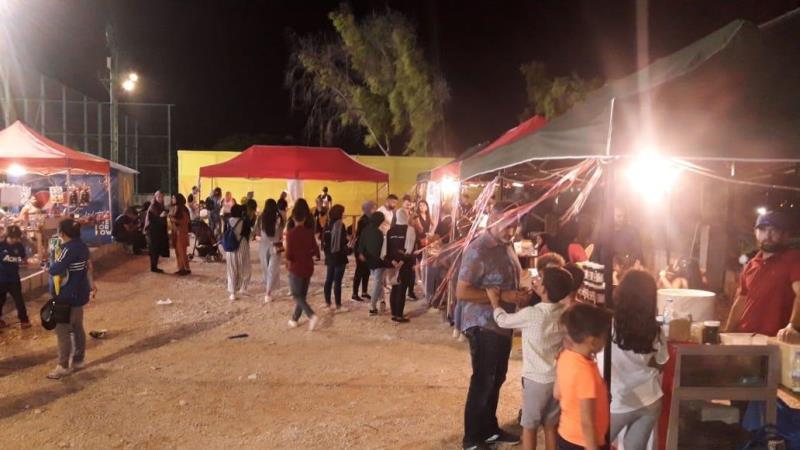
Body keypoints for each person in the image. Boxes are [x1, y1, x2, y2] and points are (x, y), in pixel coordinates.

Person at [456, 201, 529, 450]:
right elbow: (462, 292)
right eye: (506, 225)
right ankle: (472, 439)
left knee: (497, 377)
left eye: (515, 225)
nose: (512, 231)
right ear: (492, 220)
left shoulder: (506, 246)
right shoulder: (478, 249)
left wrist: (519, 292)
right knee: (484, 380)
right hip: (483, 324)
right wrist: (503, 297)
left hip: (502, 323)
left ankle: (488, 429)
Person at [490, 267, 573, 450]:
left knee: (529, 427)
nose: (536, 280)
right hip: (556, 379)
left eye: (540, 279)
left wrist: (495, 303)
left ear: (545, 289)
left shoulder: (532, 314)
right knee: (551, 425)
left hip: (535, 380)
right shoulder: (564, 312)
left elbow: (503, 321)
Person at [597, 270, 668, 450]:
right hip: (650, 399)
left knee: (594, 445)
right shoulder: (656, 330)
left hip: (618, 401)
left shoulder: (607, 325)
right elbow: (662, 363)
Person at [725, 211, 800, 342]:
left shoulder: (793, 259)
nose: (768, 235)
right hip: (745, 337)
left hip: (774, 341)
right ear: (755, 233)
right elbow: (741, 300)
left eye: (774, 230)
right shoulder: (751, 265)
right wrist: (727, 332)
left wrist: (793, 326)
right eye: (763, 230)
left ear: (785, 235)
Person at [555, 303, 612, 450]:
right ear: (593, 341)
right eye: (605, 336)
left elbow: (557, 393)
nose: (606, 340)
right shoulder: (586, 373)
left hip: (565, 434)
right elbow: (587, 423)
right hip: (583, 443)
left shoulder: (565, 356)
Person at [47, 219, 95, 379]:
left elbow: (55, 269)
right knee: (77, 327)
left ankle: (63, 366)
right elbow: (87, 267)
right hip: (79, 294)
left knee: (62, 330)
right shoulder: (82, 246)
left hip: (66, 296)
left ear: (62, 233)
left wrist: (48, 263)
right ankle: (78, 360)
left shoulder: (67, 248)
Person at [284, 198, 320, 331]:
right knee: (302, 295)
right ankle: (294, 319)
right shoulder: (309, 231)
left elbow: (288, 255)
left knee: (296, 294)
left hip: (296, 267)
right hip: (308, 266)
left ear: (293, 217)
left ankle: (311, 315)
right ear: (305, 218)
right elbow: (315, 250)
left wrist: (288, 260)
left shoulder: (291, 234)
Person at [386, 208, 416, 323]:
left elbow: (387, 249)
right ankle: (399, 315)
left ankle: (394, 313)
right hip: (405, 264)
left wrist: (393, 261)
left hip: (393, 264)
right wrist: (402, 262)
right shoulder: (410, 230)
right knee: (401, 289)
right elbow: (410, 249)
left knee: (394, 287)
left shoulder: (391, 231)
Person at [0, 225, 31, 329]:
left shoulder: (19, 245)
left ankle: (24, 320)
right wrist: (20, 260)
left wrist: (25, 260)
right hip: (2, 278)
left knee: (19, 299)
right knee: (1, 299)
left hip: (14, 278)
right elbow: (5, 258)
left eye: (16, 238)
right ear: (7, 235)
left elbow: (24, 257)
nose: (14, 240)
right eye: (12, 237)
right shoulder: (1, 245)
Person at [358, 211, 387, 316]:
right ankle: (372, 306)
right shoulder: (378, 232)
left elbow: (361, 244)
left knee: (378, 282)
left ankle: (382, 301)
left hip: (369, 260)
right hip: (378, 261)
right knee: (377, 283)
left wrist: (361, 253)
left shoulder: (365, 230)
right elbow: (380, 249)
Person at [322, 204, 350, 312]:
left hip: (329, 256)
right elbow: (342, 242)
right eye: (342, 212)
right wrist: (349, 244)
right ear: (339, 214)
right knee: (337, 281)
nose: (343, 214)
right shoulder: (340, 225)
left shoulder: (327, 224)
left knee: (329, 280)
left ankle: (327, 303)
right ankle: (338, 305)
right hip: (339, 257)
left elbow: (324, 241)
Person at [259, 199, 284, 303]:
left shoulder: (261, 218)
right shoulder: (279, 218)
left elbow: (257, 231)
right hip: (276, 245)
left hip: (263, 246)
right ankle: (268, 293)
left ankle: (268, 291)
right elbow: (281, 233)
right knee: (272, 270)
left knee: (266, 269)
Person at [351, 200, 375, 302]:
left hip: (367, 249)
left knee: (366, 271)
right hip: (361, 249)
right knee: (359, 271)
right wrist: (360, 252)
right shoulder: (362, 221)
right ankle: (354, 293)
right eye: (373, 208)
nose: (374, 210)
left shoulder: (370, 219)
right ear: (368, 209)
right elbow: (360, 237)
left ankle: (364, 292)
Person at [224, 205, 249, 301]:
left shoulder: (227, 221)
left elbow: (224, 233)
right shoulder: (244, 222)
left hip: (230, 247)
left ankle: (232, 293)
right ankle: (242, 287)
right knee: (244, 268)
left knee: (231, 270)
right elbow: (247, 235)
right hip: (242, 245)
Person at [144, 191, 170, 274]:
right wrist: (161, 216)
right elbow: (156, 217)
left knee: (156, 249)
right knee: (154, 249)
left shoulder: (160, 206)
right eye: (159, 197)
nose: (160, 198)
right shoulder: (153, 206)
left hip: (156, 231)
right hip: (152, 231)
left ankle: (154, 267)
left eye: (162, 197)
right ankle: (153, 267)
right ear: (155, 197)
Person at [169, 193, 191, 276]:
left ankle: (185, 268)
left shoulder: (183, 209)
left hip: (181, 233)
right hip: (176, 233)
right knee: (177, 251)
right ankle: (180, 268)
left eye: (174, 198)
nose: (172, 200)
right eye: (172, 198)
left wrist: (173, 219)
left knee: (182, 251)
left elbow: (185, 221)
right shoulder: (175, 208)